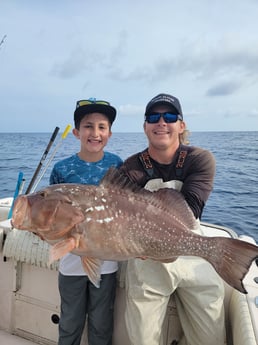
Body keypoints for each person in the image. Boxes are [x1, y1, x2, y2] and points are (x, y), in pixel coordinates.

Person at [119, 93, 226, 345]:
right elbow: (123, 215)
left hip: (192, 250)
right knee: (142, 337)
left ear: (181, 125)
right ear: (145, 126)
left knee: (211, 334)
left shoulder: (200, 159)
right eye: (153, 117)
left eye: (169, 116)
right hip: (146, 255)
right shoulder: (131, 167)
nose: (161, 122)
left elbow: (190, 210)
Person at [49, 98, 123, 345]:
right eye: (88, 126)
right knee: (70, 320)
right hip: (70, 255)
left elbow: (125, 209)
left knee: (101, 322)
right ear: (77, 132)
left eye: (102, 127)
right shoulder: (62, 168)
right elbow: (52, 214)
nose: (95, 133)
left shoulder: (117, 165)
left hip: (107, 256)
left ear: (109, 133)